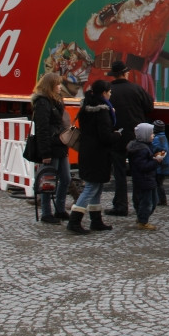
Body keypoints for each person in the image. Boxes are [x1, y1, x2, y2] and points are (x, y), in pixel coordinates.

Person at [68, 80, 119, 234]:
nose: (110, 94)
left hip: (88, 151)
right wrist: (116, 135)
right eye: (109, 91)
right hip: (97, 154)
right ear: (104, 93)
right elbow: (105, 136)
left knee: (97, 186)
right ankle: (74, 221)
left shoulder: (86, 107)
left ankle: (96, 220)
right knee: (91, 187)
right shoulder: (102, 111)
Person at [104, 60, 154, 218]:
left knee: (119, 174)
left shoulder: (109, 91)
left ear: (113, 75)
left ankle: (120, 205)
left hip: (117, 136)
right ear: (126, 73)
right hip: (136, 136)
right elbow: (149, 106)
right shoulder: (137, 89)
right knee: (138, 172)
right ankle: (139, 204)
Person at [30, 72, 71, 224]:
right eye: (58, 84)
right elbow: (42, 129)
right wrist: (45, 152)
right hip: (51, 146)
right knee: (48, 180)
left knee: (65, 178)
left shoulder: (56, 101)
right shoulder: (42, 102)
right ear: (51, 86)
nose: (60, 86)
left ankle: (60, 209)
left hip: (60, 144)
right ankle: (47, 212)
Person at [126, 122, 166, 230]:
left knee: (152, 200)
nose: (153, 135)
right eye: (151, 134)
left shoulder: (145, 146)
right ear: (145, 135)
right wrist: (157, 161)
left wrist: (158, 154)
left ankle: (141, 217)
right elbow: (143, 167)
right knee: (148, 202)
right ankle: (142, 221)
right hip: (144, 180)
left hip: (148, 180)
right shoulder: (141, 150)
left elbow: (151, 153)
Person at [151, 120, 169, 206]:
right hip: (164, 165)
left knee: (158, 183)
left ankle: (161, 200)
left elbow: (154, 149)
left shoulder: (156, 139)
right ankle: (161, 199)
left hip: (160, 165)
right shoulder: (163, 137)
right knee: (160, 183)